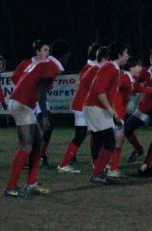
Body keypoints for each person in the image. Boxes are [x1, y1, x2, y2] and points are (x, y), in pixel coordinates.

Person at [4, 39, 70, 198]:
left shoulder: (43, 64)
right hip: (22, 104)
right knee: (26, 146)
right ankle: (11, 187)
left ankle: (31, 183)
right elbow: (41, 88)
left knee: (37, 144)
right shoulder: (51, 66)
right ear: (65, 56)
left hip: (23, 103)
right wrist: (45, 115)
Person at [83, 42, 129, 184]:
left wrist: (113, 113)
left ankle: (98, 172)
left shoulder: (112, 68)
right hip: (95, 107)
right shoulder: (110, 68)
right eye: (126, 53)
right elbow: (99, 91)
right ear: (120, 55)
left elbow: (107, 95)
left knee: (99, 140)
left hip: (95, 107)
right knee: (109, 141)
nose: (127, 56)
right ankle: (97, 174)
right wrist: (112, 113)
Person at [57, 43, 101, 174]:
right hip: (83, 106)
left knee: (86, 134)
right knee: (92, 134)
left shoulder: (88, 67)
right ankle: (95, 163)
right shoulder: (93, 69)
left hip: (80, 105)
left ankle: (67, 162)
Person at [106, 57, 144, 178]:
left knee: (114, 140)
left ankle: (107, 167)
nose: (140, 68)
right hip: (115, 115)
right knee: (117, 140)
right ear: (131, 68)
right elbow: (116, 85)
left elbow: (141, 88)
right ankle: (112, 169)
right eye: (138, 66)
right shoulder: (125, 78)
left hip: (117, 115)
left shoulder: (131, 80)